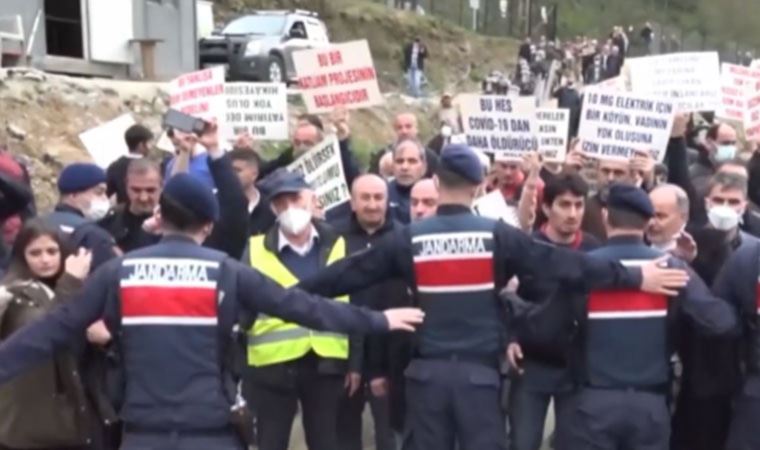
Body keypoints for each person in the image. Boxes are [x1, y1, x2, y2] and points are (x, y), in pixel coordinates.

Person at [297, 144, 691, 450]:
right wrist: (635, 275)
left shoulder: (409, 238)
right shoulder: (496, 235)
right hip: (480, 380)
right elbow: (566, 267)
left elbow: (345, 275)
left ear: (436, 183)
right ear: (478, 185)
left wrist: (284, 297)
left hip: (426, 378)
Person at [0, 172, 424, 450]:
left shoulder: (117, 273)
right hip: (211, 431)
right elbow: (304, 307)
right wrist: (378, 320)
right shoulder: (226, 271)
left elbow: (53, 330)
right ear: (207, 226)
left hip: (142, 432)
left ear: (160, 218)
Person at [556, 184, 737, 450]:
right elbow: (720, 321)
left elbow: (548, 327)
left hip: (590, 403)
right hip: (649, 406)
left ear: (606, 217)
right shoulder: (671, 268)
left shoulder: (583, 267)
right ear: (647, 222)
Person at [242, 169, 361, 450]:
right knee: (271, 442)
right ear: (271, 208)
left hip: (326, 362)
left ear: (312, 198)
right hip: (272, 367)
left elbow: (354, 305)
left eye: (295, 198)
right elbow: (243, 307)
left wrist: (355, 363)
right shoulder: (254, 249)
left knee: (326, 442)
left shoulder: (338, 244)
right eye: (280, 202)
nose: (289, 208)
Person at [507, 173, 601, 450]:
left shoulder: (594, 250)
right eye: (564, 205)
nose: (573, 213)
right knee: (524, 441)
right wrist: (510, 338)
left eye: (579, 205)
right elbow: (507, 297)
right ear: (547, 208)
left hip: (576, 365)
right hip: (532, 362)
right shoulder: (527, 249)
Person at [0, 220, 96, 450]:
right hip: (28, 425)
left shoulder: (71, 288)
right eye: (35, 253)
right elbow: (45, 328)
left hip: (69, 417)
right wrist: (70, 282)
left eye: (52, 251)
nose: (45, 260)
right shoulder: (16, 294)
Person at [334, 174, 402, 450]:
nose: (372, 205)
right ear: (352, 202)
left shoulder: (403, 239)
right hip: (342, 357)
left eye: (378, 197)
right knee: (344, 439)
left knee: (389, 438)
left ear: (388, 201)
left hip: (389, 359)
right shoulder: (334, 239)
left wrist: (381, 368)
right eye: (365, 198)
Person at [44, 163, 119, 270]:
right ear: (73, 195)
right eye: (99, 192)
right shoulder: (92, 234)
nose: (105, 198)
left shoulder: (37, 225)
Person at [99, 159, 163, 253]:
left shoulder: (174, 225)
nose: (143, 198)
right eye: (136, 190)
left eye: (150, 190)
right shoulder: (110, 222)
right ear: (126, 186)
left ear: (162, 187)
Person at [369, 113, 439, 177]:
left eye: (408, 127)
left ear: (417, 129)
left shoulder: (429, 157)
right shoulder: (383, 155)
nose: (404, 131)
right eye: (399, 127)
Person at [228, 148, 275, 236]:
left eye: (237, 170)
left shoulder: (271, 206)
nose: (231, 175)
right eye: (228, 170)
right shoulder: (214, 203)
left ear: (254, 174)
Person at [106, 124, 154, 205]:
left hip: (123, 213)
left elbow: (106, 193)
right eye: (149, 143)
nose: (151, 147)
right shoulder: (150, 167)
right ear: (141, 145)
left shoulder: (115, 166)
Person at [689, 122, 738, 197]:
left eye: (733, 143)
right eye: (725, 143)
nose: (731, 148)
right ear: (709, 143)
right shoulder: (695, 175)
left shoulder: (735, 173)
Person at [388, 139, 428, 224]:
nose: (405, 167)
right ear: (392, 166)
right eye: (399, 161)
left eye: (412, 161)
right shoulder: (382, 194)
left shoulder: (436, 194)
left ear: (423, 167)